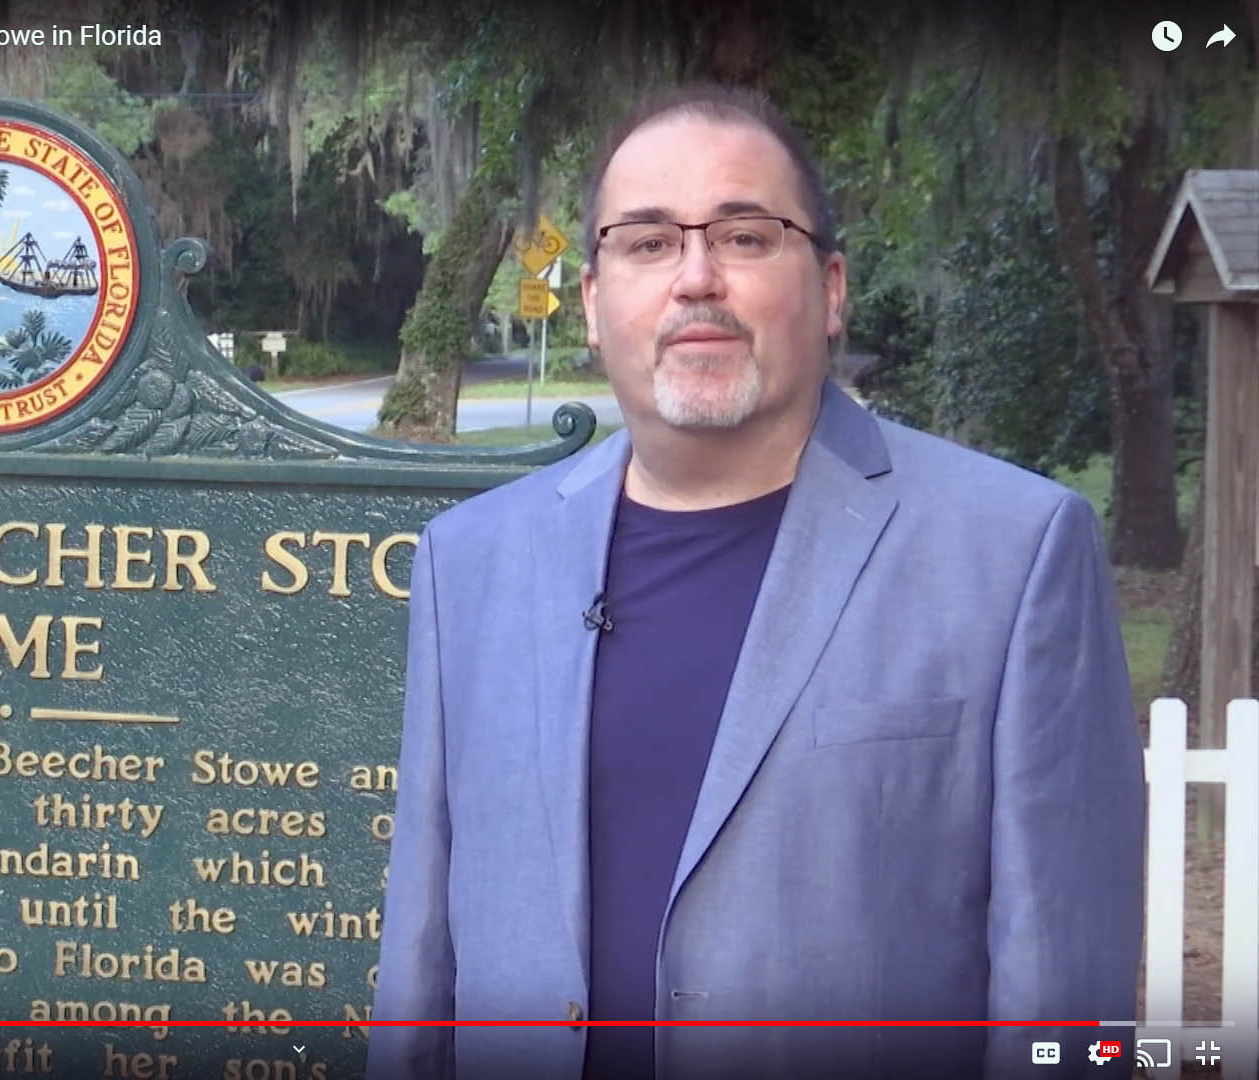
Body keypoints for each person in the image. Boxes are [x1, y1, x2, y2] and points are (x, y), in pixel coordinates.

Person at [368, 84, 1145, 1080]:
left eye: (743, 236)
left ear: (827, 289)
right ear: (596, 304)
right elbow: (422, 971)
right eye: (647, 243)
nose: (696, 278)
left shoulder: (1015, 553)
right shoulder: (470, 564)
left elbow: (1064, 1012)